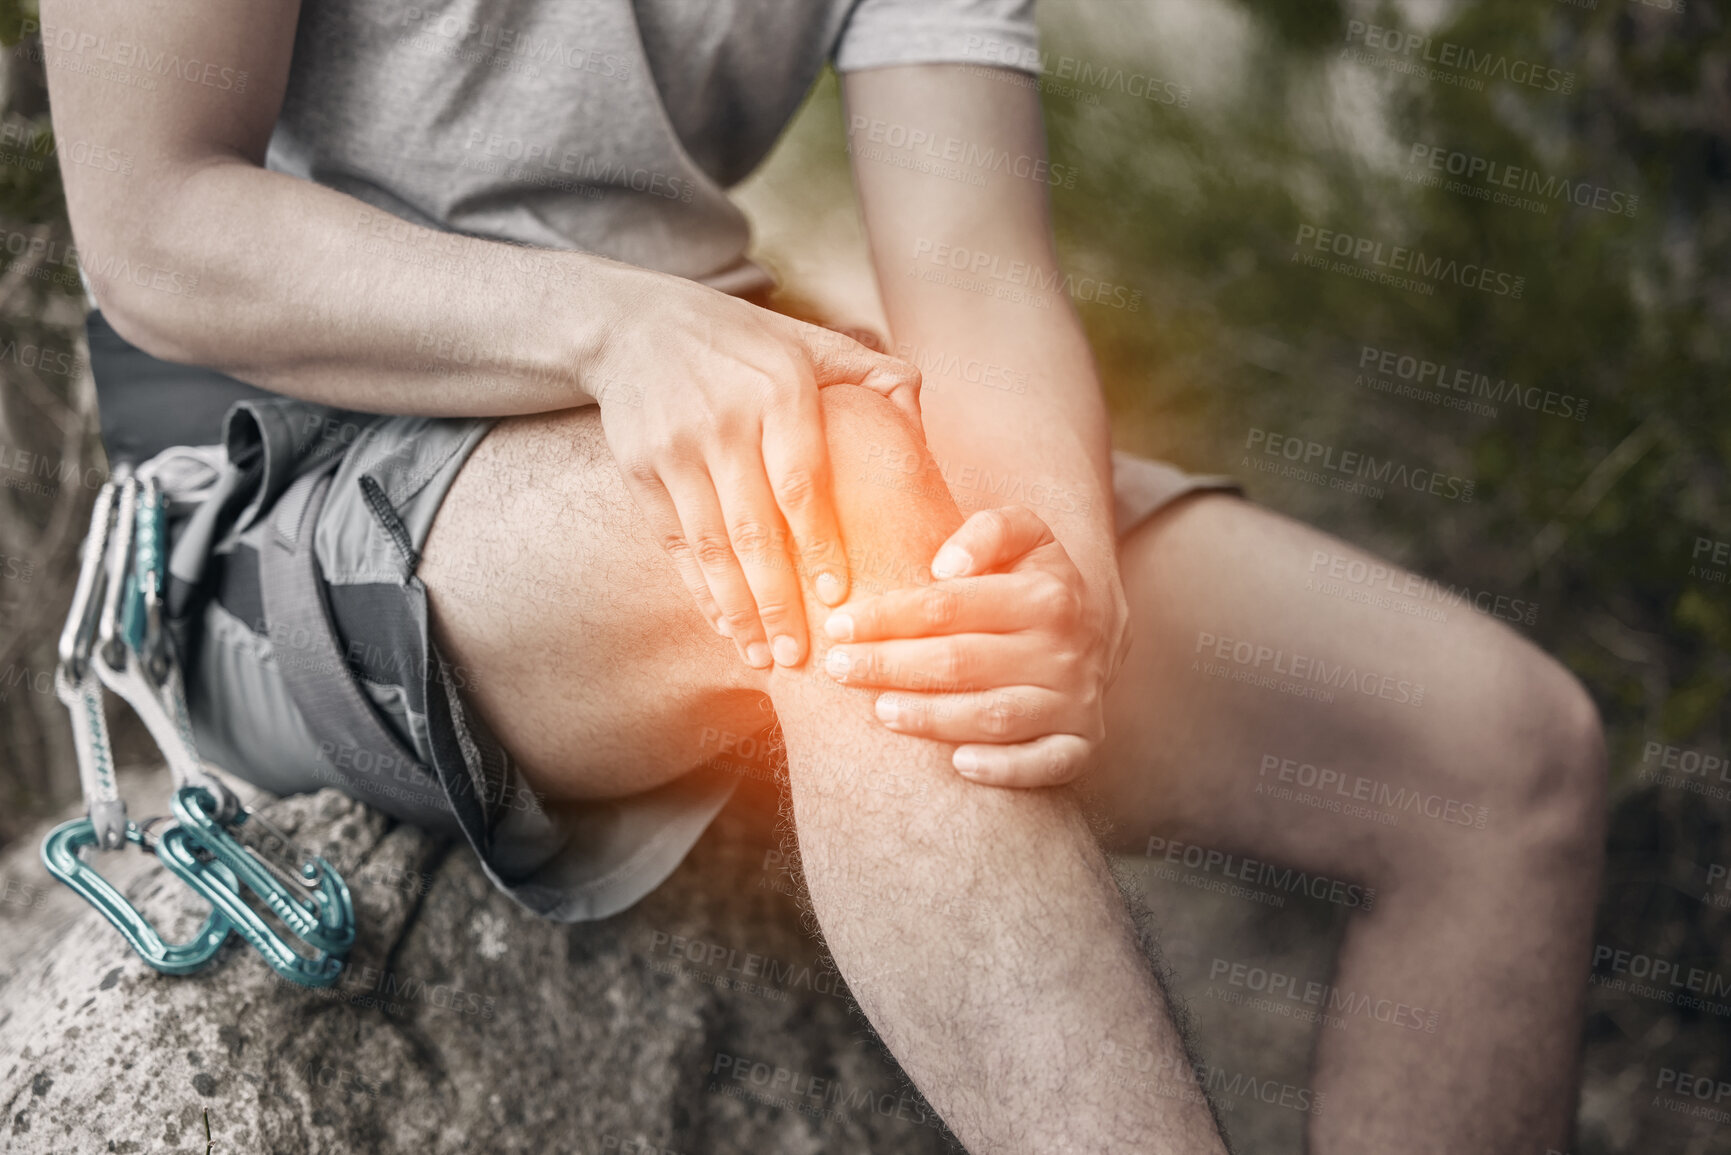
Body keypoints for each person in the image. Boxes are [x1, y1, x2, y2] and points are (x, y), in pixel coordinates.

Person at [40, 0, 1606, 1149]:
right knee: (837, 502)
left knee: (1491, 757)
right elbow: (155, 227)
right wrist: (609, 323)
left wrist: (1050, 576)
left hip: (705, 374)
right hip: (299, 468)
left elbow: (976, 268)